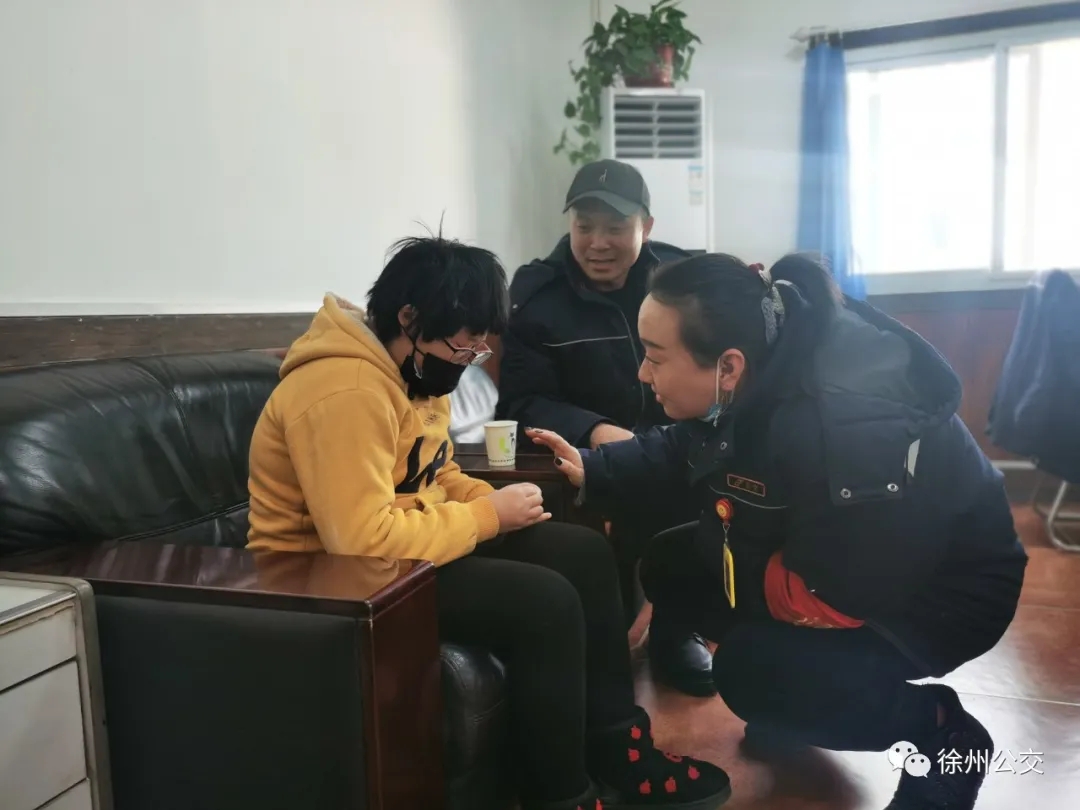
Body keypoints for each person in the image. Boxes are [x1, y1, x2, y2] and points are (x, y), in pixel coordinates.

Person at [245, 235, 732, 810]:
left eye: (481, 346)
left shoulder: (412, 371)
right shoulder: (344, 390)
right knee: (544, 602)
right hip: (328, 579)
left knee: (582, 552)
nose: (471, 356)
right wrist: (485, 517)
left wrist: (493, 502)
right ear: (409, 317)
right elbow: (360, 540)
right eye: (465, 343)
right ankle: (561, 796)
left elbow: (435, 473)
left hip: (400, 556)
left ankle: (616, 747)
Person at [529, 252, 1028, 810]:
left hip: (937, 594)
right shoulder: (764, 368)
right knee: (674, 566)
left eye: (655, 357)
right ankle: (796, 698)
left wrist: (732, 554)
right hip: (842, 557)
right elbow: (688, 443)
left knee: (751, 671)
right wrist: (593, 467)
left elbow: (846, 590)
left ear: (728, 367)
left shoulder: (841, 429)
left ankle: (941, 730)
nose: (643, 374)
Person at [495, 158, 713, 698]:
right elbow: (522, 400)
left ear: (647, 227)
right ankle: (607, 639)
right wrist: (595, 430)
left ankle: (676, 628)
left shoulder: (683, 285)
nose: (597, 243)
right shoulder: (538, 296)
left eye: (615, 227)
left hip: (678, 439)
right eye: (584, 226)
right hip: (585, 450)